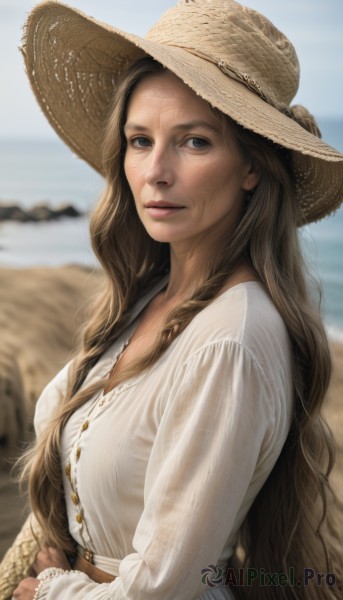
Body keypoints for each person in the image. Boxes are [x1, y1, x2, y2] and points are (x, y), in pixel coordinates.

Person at [7, 0, 343, 598]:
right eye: (140, 140)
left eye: (193, 142)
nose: (155, 171)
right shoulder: (148, 299)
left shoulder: (230, 341)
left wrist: (51, 589)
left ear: (251, 167)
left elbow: (162, 591)